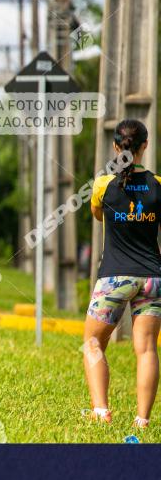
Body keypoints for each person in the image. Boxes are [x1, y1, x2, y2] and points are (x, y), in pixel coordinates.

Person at [85, 119, 161, 429]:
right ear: (146, 145)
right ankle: (142, 420)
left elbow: (98, 215)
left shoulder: (103, 184)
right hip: (153, 278)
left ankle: (101, 411)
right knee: (146, 349)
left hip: (115, 276)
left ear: (116, 147)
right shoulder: (158, 184)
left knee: (92, 342)